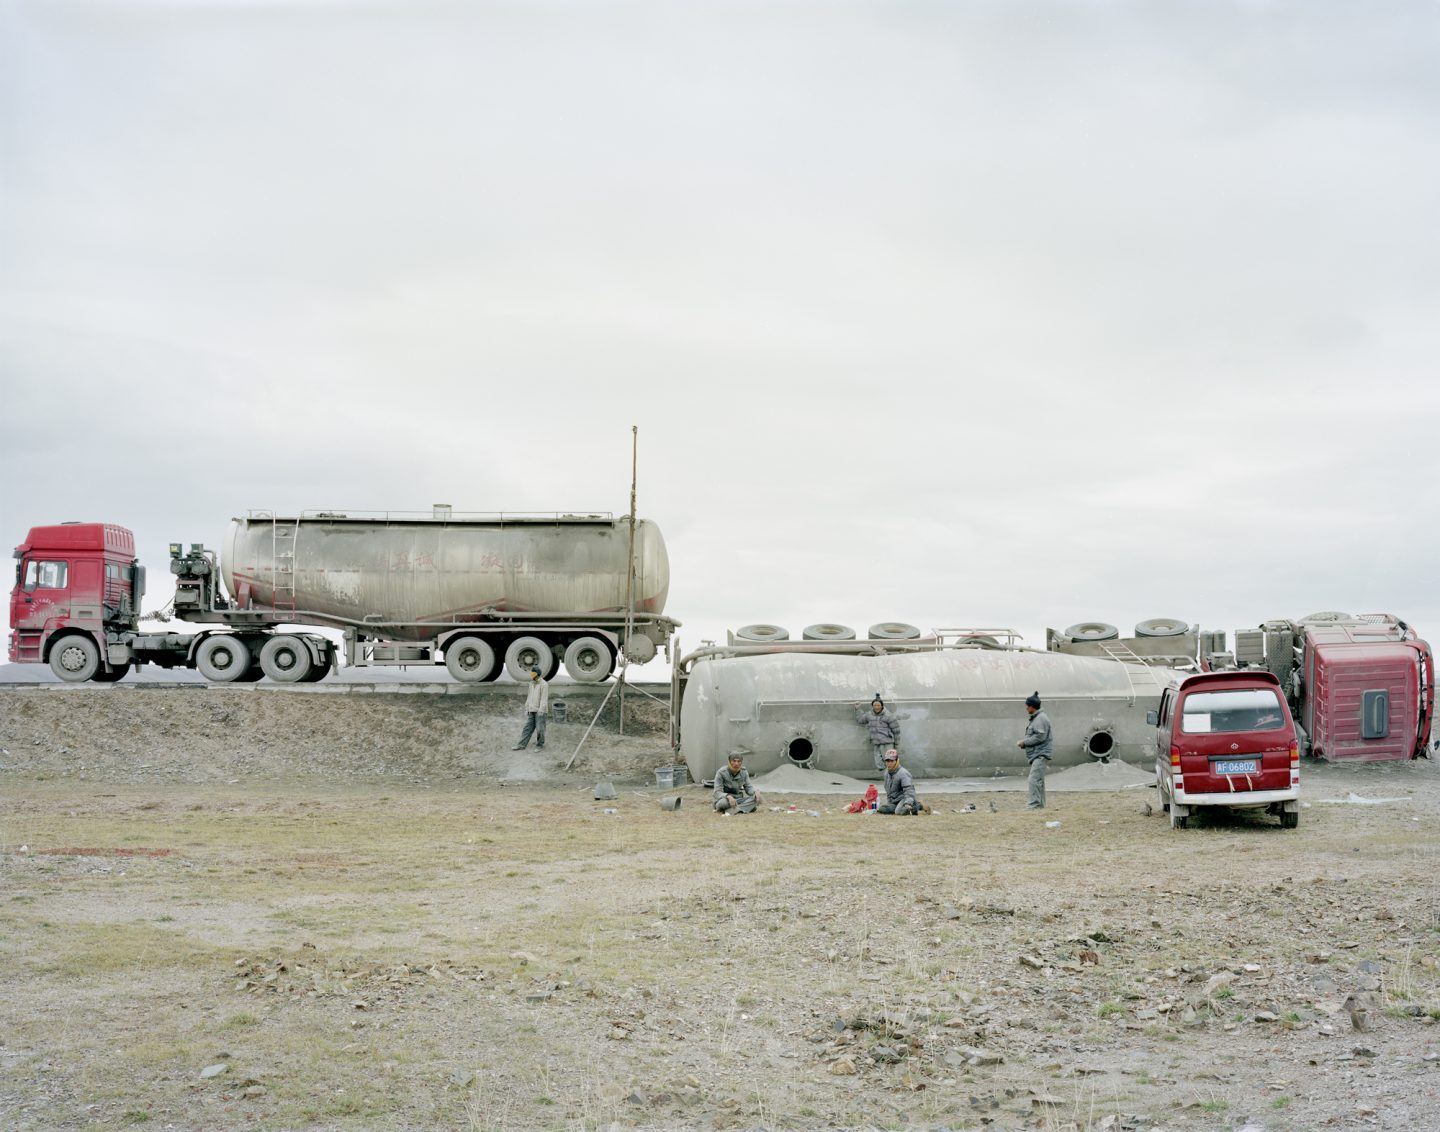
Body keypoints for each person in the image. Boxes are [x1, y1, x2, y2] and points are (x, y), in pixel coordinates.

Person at [1017, 690, 1053, 809]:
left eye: (1027, 706)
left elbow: (1040, 736)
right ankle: (1040, 805)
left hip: (1040, 754)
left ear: (1032, 706)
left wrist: (1024, 742)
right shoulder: (1037, 718)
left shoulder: (1040, 719)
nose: (1026, 708)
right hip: (1038, 754)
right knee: (1038, 781)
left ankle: (1034, 805)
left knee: (1033, 780)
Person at [855, 693, 901, 773]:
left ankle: (894, 777)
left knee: (890, 762)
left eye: (878, 705)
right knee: (879, 764)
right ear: (872, 706)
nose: (876, 707)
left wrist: (896, 744)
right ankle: (887, 776)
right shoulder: (869, 715)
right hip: (876, 742)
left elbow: (896, 730)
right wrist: (857, 709)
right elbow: (860, 720)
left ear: (882, 706)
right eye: (874, 705)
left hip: (887, 742)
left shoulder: (888, 715)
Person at [877, 748, 930, 815]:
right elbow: (888, 791)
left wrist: (908, 803)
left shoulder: (903, 773)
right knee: (883, 809)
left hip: (905, 799)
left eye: (891, 761)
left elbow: (909, 790)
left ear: (896, 761)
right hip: (895, 801)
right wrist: (889, 804)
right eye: (887, 761)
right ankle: (898, 807)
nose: (889, 763)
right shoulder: (886, 773)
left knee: (899, 811)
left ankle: (919, 805)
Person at [512, 666, 549, 750]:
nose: (531, 675)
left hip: (540, 711)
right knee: (527, 728)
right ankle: (521, 745)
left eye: (533, 673)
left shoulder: (544, 684)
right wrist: (527, 708)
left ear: (537, 674)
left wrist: (541, 710)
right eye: (531, 673)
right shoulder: (531, 684)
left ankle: (540, 745)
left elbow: (544, 699)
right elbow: (529, 697)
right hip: (531, 710)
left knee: (540, 729)